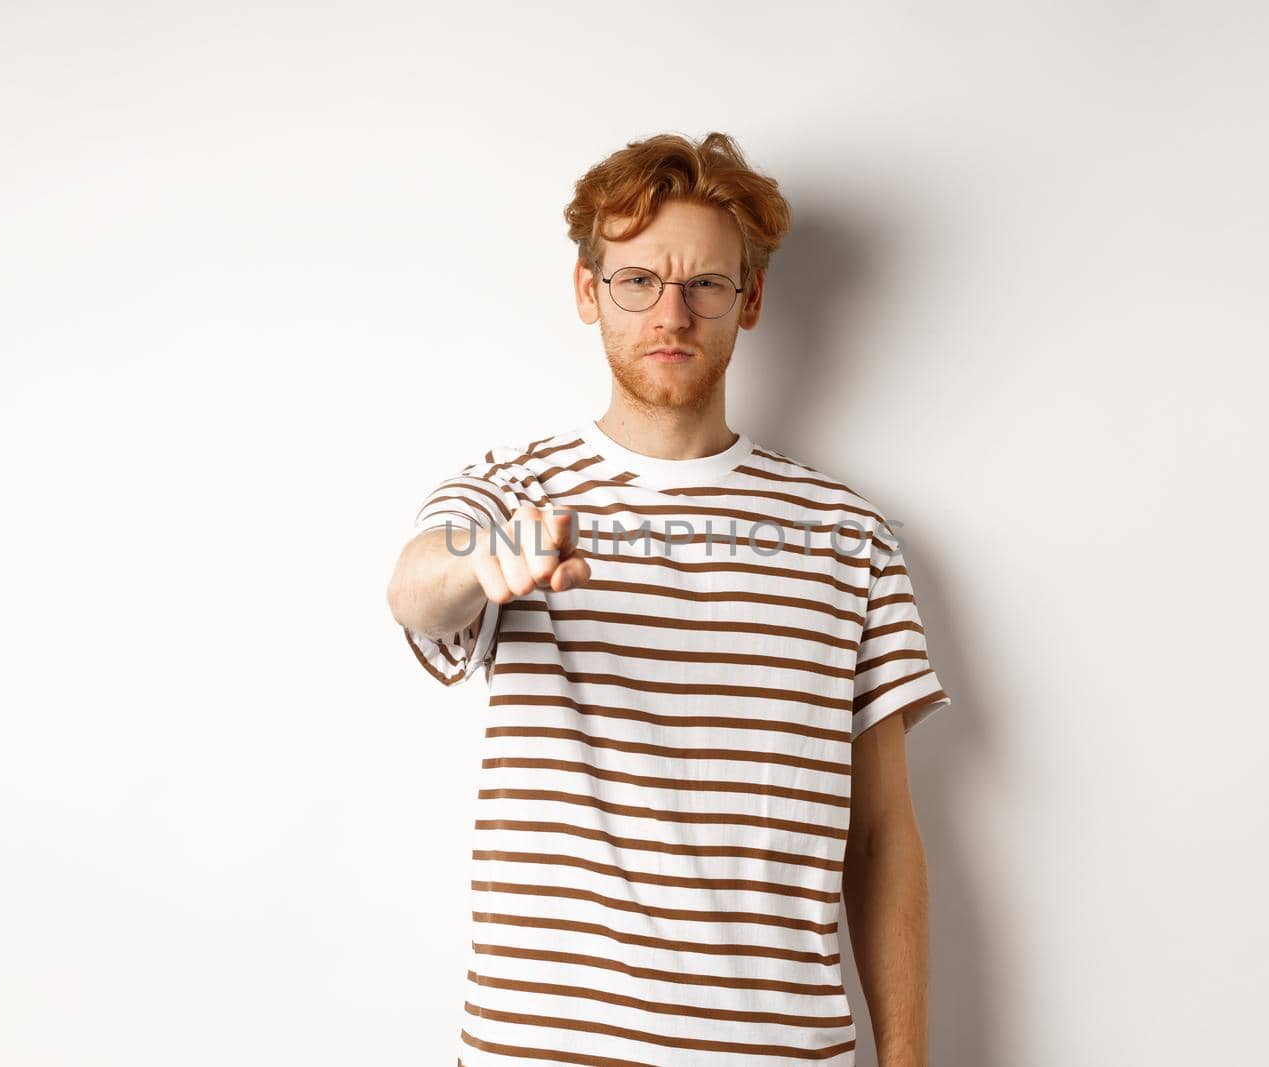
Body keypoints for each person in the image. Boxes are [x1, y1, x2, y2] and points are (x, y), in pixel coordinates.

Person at [385, 131, 953, 1066]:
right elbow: (415, 590)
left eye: (705, 285)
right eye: (637, 280)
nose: (672, 313)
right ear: (587, 291)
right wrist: (482, 562)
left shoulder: (851, 534)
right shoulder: (507, 492)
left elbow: (885, 834)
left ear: (752, 300)